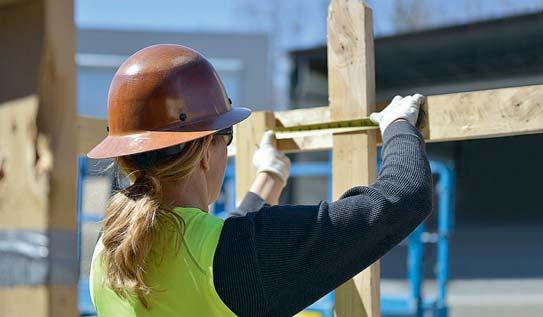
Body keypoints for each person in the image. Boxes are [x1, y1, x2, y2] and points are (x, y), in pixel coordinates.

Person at [88, 44, 432, 317]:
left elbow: (220, 255)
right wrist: (399, 128)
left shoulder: (109, 249)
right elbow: (403, 198)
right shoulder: (237, 257)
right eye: (227, 136)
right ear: (206, 149)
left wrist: (269, 177)